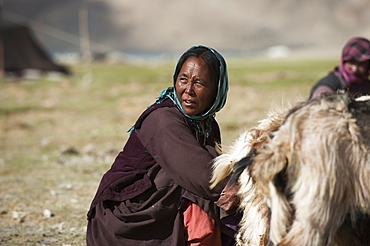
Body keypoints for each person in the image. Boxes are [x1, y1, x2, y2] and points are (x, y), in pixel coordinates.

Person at [86, 45, 239, 246]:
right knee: (194, 178)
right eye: (183, 80)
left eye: (199, 83)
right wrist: (249, 191)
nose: (188, 91)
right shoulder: (163, 119)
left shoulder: (208, 124)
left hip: (157, 210)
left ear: (217, 89)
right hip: (123, 222)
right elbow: (203, 176)